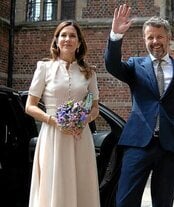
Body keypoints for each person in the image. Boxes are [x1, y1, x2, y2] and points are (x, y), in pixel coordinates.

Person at [104, 4, 174, 207]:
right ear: (144, 40)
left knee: (164, 202)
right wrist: (115, 35)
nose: (155, 42)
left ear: (168, 38)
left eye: (159, 37)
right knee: (125, 201)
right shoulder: (135, 65)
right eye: (150, 37)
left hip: (170, 147)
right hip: (137, 144)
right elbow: (112, 65)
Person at [25, 20, 100, 207]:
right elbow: (30, 106)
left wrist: (83, 120)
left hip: (80, 137)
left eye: (72, 35)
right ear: (56, 40)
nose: (68, 39)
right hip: (52, 136)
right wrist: (53, 121)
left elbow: (94, 107)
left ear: (79, 42)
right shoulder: (44, 68)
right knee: (53, 183)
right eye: (63, 35)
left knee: (82, 183)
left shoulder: (89, 73)